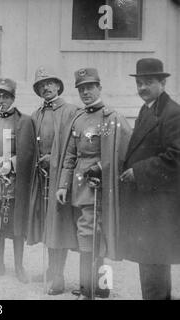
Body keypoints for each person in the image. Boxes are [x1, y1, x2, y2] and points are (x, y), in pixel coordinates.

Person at [56, 68, 132, 299]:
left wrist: (101, 167)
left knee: (96, 235)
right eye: (81, 88)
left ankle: (93, 287)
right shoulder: (78, 118)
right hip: (80, 186)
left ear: (99, 87)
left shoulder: (112, 117)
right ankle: (97, 286)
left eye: (90, 87)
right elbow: (70, 154)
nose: (85, 92)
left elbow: (124, 152)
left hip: (101, 185)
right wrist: (62, 184)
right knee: (89, 234)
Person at [120, 58, 180, 300]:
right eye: (139, 83)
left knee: (153, 263)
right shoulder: (149, 109)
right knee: (153, 263)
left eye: (148, 82)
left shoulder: (172, 113)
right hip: (148, 203)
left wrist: (138, 171)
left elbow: (176, 156)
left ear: (162, 82)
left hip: (159, 205)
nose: (142, 88)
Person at [0, 78, 36, 284]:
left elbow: (28, 153)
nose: (1, 100)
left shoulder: (23, 121)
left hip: (12, 181)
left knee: (16, 225)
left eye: (5, 96)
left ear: (13, 98)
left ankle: (19, 266)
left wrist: (11, 165)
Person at [28, 67, 80, 295]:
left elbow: (74, 145)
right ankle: (51, 268)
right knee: (47, 225)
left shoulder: (71, 111)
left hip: (61, 178)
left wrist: (54, 159)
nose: (46, 88)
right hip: (41, 178)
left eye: (50, 83)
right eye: (41, 85)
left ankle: (59, 276)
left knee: (59, 225)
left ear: (58, 86)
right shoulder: (36, 114)